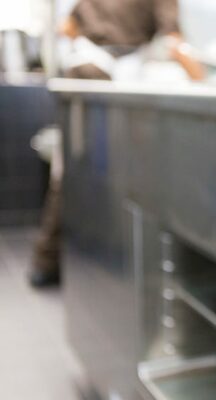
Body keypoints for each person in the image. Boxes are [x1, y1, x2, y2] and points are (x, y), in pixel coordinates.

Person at [29, 0, 204, 287]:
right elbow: (174, 41)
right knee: (109, 174)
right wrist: (200, 77)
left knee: (69, 170)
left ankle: (50, 262)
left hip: (79, 72)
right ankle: (94, 262)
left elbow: (67, 27)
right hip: (104, 77)